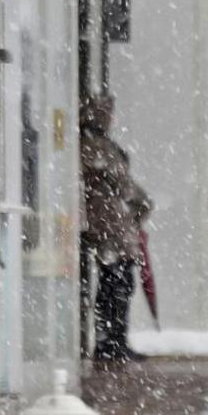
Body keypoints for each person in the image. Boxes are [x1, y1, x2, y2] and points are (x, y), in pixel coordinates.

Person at [80, 94, 152, 365]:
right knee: (118, 284)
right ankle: (112, 342)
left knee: (114, 284)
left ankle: (111, 341)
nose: (111, 118)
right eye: (106, 113)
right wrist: (142, 203)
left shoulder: (93, 145)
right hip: (110, 224)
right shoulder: (97, 147)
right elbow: (122, 182)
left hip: (109, 223)